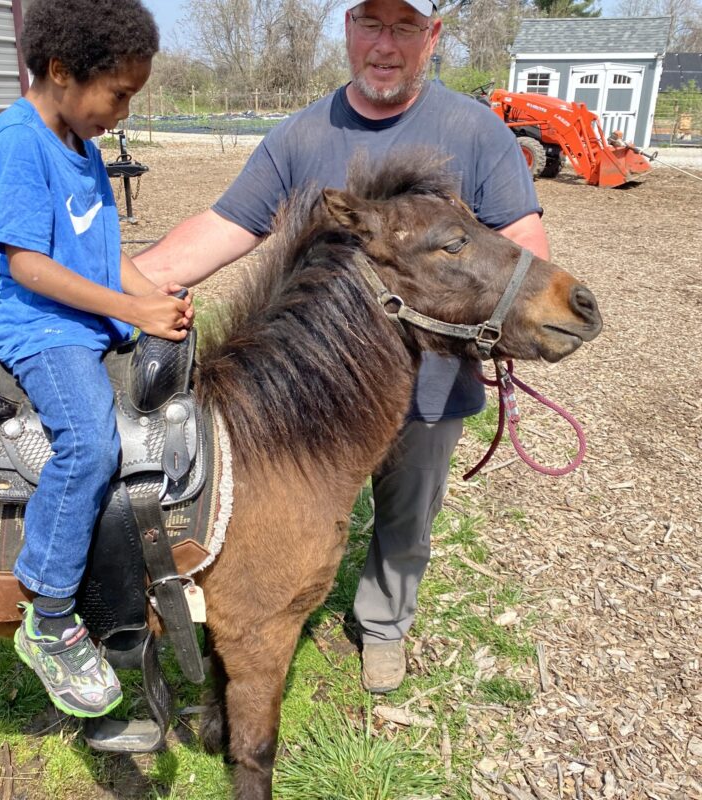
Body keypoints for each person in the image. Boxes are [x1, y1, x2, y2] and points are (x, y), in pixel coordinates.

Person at [135, 0, 549, 693]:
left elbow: (522, 243)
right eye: (370, 24)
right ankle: (273, 591)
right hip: (323, 387)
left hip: (430, 377)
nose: (384, 45)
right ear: (348, 29)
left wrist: (512, 315)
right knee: (300, 505)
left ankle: (383, 624)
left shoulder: (474, 131)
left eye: (404, 27)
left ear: (432, 36)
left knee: (408, 507)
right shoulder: (302, 135)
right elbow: (222, 228)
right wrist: (114, 287)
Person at [0, 0, 193, 717]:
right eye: (119, 93)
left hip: (91, 322)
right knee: (89, 446)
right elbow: (28, 264)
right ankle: (49, 613)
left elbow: (105, 251)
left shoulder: (85, 149)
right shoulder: (18, 142)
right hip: (44, 328)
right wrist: (131, 310)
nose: (122, 110)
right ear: (62, 72)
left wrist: (153, 295)